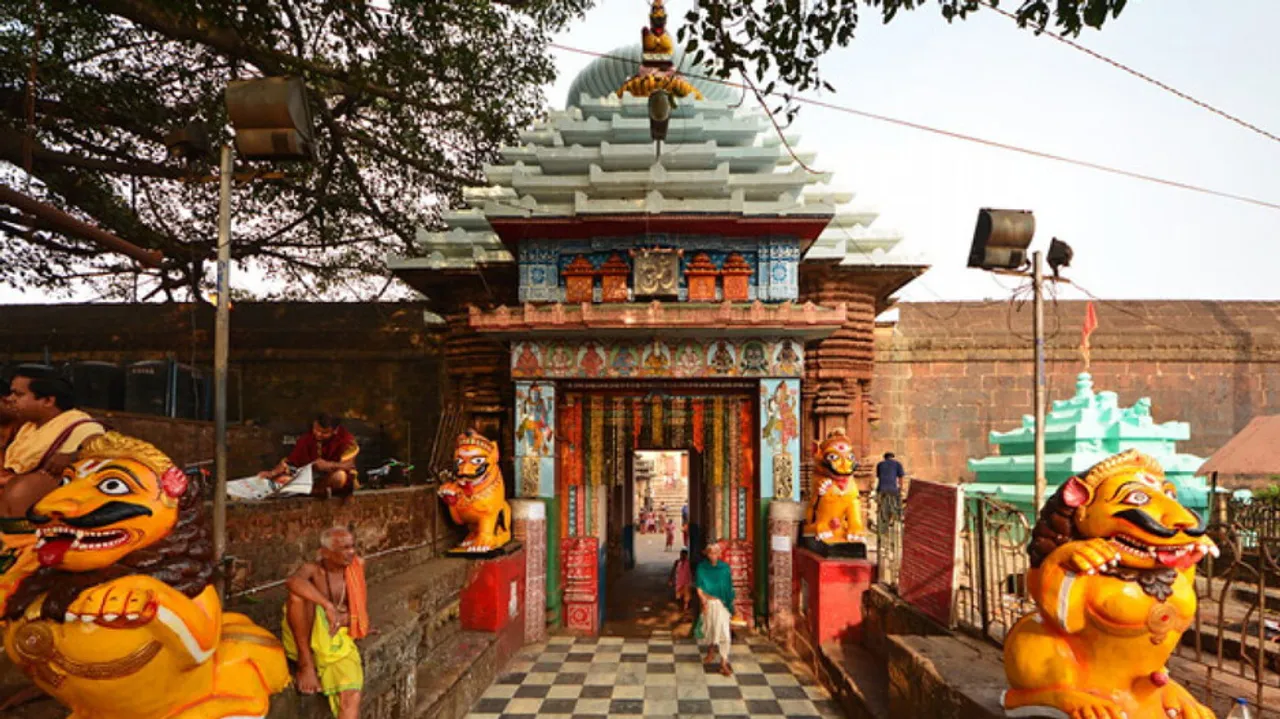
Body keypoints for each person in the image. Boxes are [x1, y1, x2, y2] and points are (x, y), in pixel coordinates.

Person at [283, 526, 371, 719]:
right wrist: (327, 606)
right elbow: (292, 582)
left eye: (352, 546)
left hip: (338, 638)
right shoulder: (313, 570)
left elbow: (359, 611)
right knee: (297, 597)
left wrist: (346, 618)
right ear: (325, 553)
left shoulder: (357, 566)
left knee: (351, 695)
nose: (351, 553)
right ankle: (306, 665)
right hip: (307, 635)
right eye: (344, 548)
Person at [0, 367, 105, 517]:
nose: (9, 399)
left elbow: (103, 451)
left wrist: (72, 455)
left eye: (18, 394)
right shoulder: (29, 426)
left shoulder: (81, 426)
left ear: (48, 401)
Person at [262, 414, 360, 498]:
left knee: (339, 477)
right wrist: (273, 472)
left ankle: (312, 491)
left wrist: (328, 465)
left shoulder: (346, 440)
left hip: (329, 479)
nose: (318, 434)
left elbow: (349, 465)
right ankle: (315, 492)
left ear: (335, 430)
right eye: (316, 430)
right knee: (281, 480)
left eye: (324, 432)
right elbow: (291, 461)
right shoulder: (307, 438)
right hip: (307, 479)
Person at [696, 541, 736, 676]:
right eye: (710, 553)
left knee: (725, 634)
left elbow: (729, 588)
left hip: (722, 604)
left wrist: (730, 604)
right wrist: (703, 602)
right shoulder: (702, 568)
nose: (713, 556)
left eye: (715, 553)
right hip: (708, 603)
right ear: (707, 554)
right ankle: (711, 651)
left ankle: (724, 662)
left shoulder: (724, 569)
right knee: (710, 629)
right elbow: (699, 587)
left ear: (719, 554)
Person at [875, 451, 906, 523]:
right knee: (896, 501)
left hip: (881, 487)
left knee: (879, 499)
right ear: (893, 457)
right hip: (893, 488)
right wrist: (901, 488)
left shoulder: (880, 464)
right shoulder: (897, 464)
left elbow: (879, 476)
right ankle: (894, 516)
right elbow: (900, 477)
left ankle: (879, 510)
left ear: (884, 458)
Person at [668, 548, 693, 613]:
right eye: (682, 555)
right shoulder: (677, 562)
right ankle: (681, 607)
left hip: (687, 581)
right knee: (678, 596)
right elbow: (673, 570)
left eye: (684, 555)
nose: (683, 556)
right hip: (679, 581)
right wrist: (670, 579)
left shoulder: (689, 563)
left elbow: (692, 572)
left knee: (686, 596)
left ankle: (685, 607)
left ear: (687, 555)